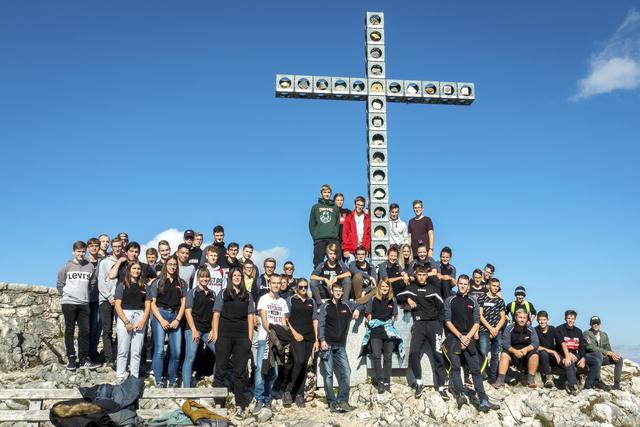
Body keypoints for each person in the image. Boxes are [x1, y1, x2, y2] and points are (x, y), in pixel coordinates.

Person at [443, 275, 497, 412]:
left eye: (465, 284)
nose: (462, 286)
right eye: (460, 283)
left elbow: (477, 322)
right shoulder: (450, 300)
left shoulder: (473, 301)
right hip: (454, 337)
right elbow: (448, 321)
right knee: (455, 367)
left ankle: (483, 399)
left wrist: (467, 337)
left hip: (469, 337)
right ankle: (460, 393)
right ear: (457, 285)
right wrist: (461, 336)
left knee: (475, 370)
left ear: (468, 286)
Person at [397, 265, 448, 399]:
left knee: (438, 355)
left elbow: (442, 307)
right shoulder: (411, 288)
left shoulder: (433, 289)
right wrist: (408, 298)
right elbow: (398, 296)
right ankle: (419, 383)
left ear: (427, 275)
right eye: (419, 274)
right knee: (413, 353)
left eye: (424, 275)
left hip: (434, 325)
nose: (422, 277)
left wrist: (439, 325)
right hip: (419, 324)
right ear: (416, 275)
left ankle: (441, 387)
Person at [212, 268, 255, 420]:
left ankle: (239, 405)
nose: (237, 278)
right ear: (230, 278)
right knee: (221, 371)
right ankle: (218, 404)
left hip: (242, 337)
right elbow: (216, 314)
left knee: (239, 372)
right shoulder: (223, 293)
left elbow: (251, 317)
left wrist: (249, 338)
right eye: (234, 275)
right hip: (224, 335)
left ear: (242, 278)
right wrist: (216, 336)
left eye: (239, 276)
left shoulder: (247, 295)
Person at [56, 241, 100, 371]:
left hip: (84, 303)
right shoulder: (66, 266)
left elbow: (92, 284)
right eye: (78, 251)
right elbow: (60, 283)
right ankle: (71, 358)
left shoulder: (90, 266)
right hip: (69, 303)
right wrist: (66, 294)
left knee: (85, 331)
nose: (81, 254)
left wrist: (85, 295)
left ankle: (83, 359)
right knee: (69, 330)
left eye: (83, 251)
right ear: (73, 252)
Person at [318, 283, 360, 413]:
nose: (337, 292)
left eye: (340, 291)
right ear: (331, 291)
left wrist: (358, 309)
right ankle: (332, 402)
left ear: (342, 292)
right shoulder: (326, 306)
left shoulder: (347, 304)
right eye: (335, 290)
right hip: (327, 345)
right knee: (329, 375)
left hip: (340, 346)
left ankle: (342, 400)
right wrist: (322, 340)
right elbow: (321, 324)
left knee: (346, 372)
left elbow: (360, 303)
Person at [253, 274, 289, 415]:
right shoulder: (263, 299)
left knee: (274, 372)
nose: (276, 285)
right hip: (266, 339)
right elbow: (264, 321)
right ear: (269, 283)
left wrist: (283, 338)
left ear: (281, 284)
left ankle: (267, 398)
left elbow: (284, 323)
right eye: (273, 283)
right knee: (261, 369)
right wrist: (274, 334)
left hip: (278, 342)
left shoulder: (282, 302)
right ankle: (259, 398)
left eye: (278, 283)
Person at [149, 256, 186, 388]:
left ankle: (172, 380)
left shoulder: (181, 283)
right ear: (166, 265)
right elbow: (152, 303)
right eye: (170, 264)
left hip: (175, 316)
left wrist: (177, 319)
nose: (172, 266)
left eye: (174, 264)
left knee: (176, 352)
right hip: (161, 314)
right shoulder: (158, 282)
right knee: (159, 349)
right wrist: (161, 320)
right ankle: (159, 380)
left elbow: (183, 304)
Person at [283, 278, 318, 408]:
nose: (303, 289)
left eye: (305, 287)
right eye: (301, 287)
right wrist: (294, 333)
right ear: (296, 287)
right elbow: (286, 319)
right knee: (299, 361)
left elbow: (315, 320)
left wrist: (316, 339)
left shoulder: (311, 301)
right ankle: (288, 390)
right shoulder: (291, 300)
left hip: (310, 337)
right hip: (296, 336)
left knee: (304, 365)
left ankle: (299, 394)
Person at [114, 261, 151, 382]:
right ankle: (120, 376)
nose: (136, 271)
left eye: (138, 269)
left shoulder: (145, 286)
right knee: (123, 350)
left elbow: (148, 305)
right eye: (134, 268)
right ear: (129, 270)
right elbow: (117, 305)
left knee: (136, 351)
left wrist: (143, 321)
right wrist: (126, 322)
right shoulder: (122, 285)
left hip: (140, 316)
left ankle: (134, 376)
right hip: (125, 315)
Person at [364, 279, 401, 394]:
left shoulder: (393, 300)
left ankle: (387, 382)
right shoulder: (373, 299)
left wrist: (389, 324)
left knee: (388, 357)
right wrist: (373, 324)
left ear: (389, 288)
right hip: (376, 331)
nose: (385, 288)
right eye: (383, 286)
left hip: (388, 331)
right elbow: (369, 314)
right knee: (376, 356)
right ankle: (380, 381)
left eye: (387, 286)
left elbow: (394, 315)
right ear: (379, 287)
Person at [182, 268, 217, 388]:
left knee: (220, 353)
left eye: (207, 277)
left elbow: (214, 314)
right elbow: (187, 312)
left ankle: (217, 383)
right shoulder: (192, 292)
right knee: (190, 357)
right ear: (198, 278)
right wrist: (194, 330)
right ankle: (186, 387)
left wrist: (213, 330)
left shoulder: (213, 294)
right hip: (193, 329)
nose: (204, 279)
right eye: (202, 277)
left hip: (207, 330)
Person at [494, 309, 540, 388]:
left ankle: (531, 379)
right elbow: (505, 343)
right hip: (512, 353)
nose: (522, 320)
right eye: (520, 317)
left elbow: (535, 343)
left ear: (527, 319)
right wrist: (515, 351)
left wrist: (525, 350)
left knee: (535, 355)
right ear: (515, 318)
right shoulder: (509, 328)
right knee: (504, 354)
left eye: (524, 318)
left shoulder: (531, 329)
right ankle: (500, 380)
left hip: (526, 353)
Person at [97, 237, 123, 368]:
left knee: (120, 329)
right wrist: (108, 297)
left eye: (119, 246)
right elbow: (101, 281)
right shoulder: (105, 262)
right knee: (107, 330)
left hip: (120, 300)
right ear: (112, 247)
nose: (117, 248)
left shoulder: (125, 261)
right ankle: (109, 358)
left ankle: (120, 357)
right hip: (106, 300)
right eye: (115, 246)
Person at [555, 309, 593, 395]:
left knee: (573, 362)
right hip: (562, 353)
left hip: (576, 354)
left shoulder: (578, 331)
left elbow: (581, 348)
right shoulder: (559, 329)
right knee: (568, 362)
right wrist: (568, 354)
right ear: (565, 318)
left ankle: (568, 382)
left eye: (572, 318)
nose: (570, 320)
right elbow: (560, 344)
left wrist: (583, 358)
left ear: (575, 319)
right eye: (568, 318)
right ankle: (574, 386)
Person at [478, 278, 506, 384]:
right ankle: (482, 374)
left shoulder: (500, 301)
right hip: (484, 330)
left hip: (496, 331)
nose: (495, 288)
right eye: (493, 285)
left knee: (495, 355)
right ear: (489, 286)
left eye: (497, 286)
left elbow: (503, 317)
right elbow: (480, 315)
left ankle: (492, 378)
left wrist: (496, 329)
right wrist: (490, 328)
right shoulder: (482, 298)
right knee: (483, 352)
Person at [584, 316, 623, 390]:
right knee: (598, 355)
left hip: (602, 358)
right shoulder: (586, 334)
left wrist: (613, 354)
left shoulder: (604, 335)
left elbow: (608, 348)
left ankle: (617, 385)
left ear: (600, 324)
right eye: (594, 323)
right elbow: (590, 347)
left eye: (597, 323)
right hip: (590, 358)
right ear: (590, 324)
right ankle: (597, 381)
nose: (596, 325)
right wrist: (607, 352)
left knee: (619, 359)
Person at [309, 184, 341, 267]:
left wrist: (335, 234)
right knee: (318, 263)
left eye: (328, 192)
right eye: (325, 192)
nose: (327, 194)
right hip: (320, 240)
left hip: (333, 239)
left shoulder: (335, 208)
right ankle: (318, 279)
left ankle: (337, 279)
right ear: (321, 193)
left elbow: (337, 223)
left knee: (337, 261)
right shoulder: (315, 207)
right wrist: (315, 236)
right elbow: (311, 224)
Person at [86, 237, 102, 364]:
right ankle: (86, 354)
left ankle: (93, 352)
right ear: (88, 248)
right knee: (87, 328)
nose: (94, 248)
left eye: (96, 245)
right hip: (85, 299)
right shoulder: (84, 262)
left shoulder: (103, 261)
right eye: (91, 246)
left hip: (99, 298)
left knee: (97, 327)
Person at [535, 311, 561, 388]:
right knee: (543, 353)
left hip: (552, 356)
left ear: (547, 320)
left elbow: (560, 342)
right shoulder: (535, 330)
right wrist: (553, 352)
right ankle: (548, 377)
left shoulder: (553, 329)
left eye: (544, 319)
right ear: (537, 320)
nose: (542, 322)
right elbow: (536, 346)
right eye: (540, 320)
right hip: (540, 356)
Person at [341, 196, 371, 261]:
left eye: (361, 205)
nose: (359, 207)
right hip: (351, 249)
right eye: (358, 204)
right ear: (354, 205)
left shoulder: (367, 218)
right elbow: (345, 234)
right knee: (352, 267)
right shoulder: (349, 218)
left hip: (363, 249)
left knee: (364, 269)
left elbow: (368, 235)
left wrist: (367, 249)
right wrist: (345, 249)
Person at [334, 192, 351, 260]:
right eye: (338, 200)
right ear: (334, 201)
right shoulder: (331, 212)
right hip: (335, 240)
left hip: (345, 241)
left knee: (347, 261)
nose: (340, 202)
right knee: (337, 260)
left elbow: (358, 215)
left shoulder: (347, 212)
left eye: (341, 200)